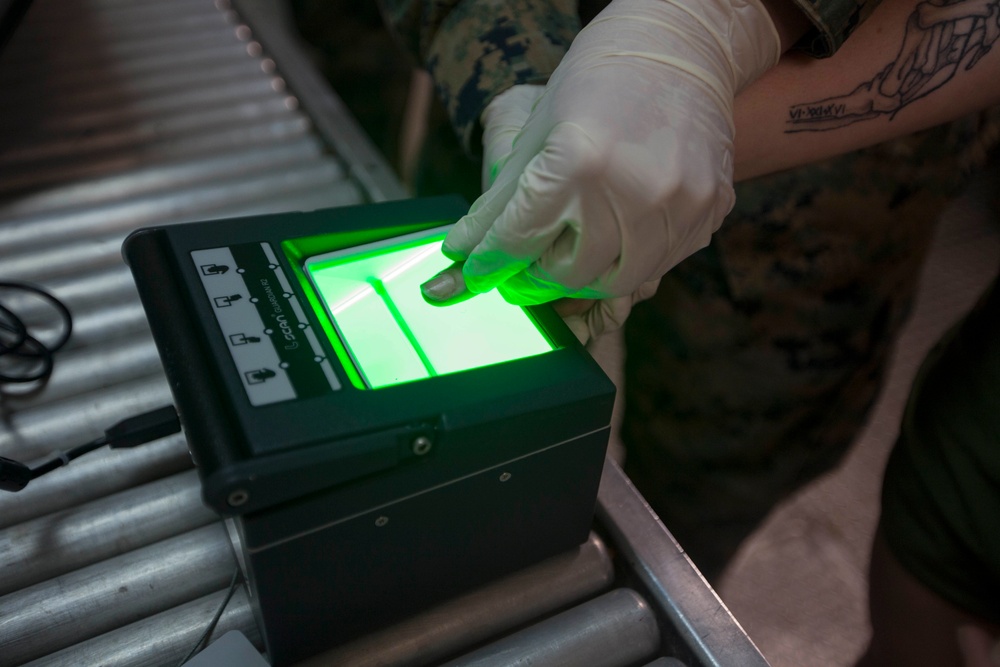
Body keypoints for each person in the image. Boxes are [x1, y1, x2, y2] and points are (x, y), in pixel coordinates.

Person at [301, 0, 1000, 663]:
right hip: (525, 111)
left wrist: (708, 45)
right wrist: (515, 83)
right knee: (447, 470)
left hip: (815, 227)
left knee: (696, 509)